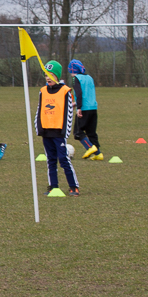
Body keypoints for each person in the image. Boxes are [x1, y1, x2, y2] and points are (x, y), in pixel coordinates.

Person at [35, 60, 80, 196]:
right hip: (46, 131)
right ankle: (53, 186)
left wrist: (65, 132)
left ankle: (74, 186)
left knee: (64, 159)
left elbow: (69, 113)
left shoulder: (65, 91)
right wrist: (39, 128)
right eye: (46, 75)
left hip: (59, 132)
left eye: (51, 75)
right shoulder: (43, 91)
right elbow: (39, 110)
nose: (48, 78)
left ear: (57, 76)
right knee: (51, 160)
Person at [69, 59, 102, 161]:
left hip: (84, 108)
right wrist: (76, 104)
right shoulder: (89, 77)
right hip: (93, 108)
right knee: (91, 132)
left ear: (72, 70)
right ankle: (98, 154)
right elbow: (87, 94)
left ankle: (90, 147)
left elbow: (79, 93)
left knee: (78, 132)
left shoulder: (76, 78)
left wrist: (79, 108)